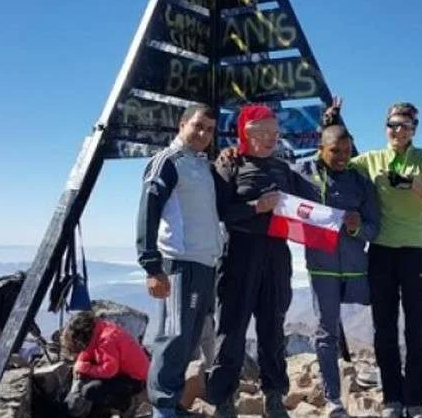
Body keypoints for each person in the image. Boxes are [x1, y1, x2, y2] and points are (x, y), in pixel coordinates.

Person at [326, 100, 422, 418]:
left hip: (415, 251)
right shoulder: (372, 159)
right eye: (393, 125)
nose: (398, 131)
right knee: (384, 327)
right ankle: (392, 400)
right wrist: (333, 122)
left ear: (414, 130)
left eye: (405, 126)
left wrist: (413, 185)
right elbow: (337, 157)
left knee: (417, 327)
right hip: (380, 251)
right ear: (385, 127)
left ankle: (417, 401)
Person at [207, 104, 314, 418]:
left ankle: (275, 397)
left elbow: (313, 199)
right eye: (262, 133)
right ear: (245, 132)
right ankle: (223, 400)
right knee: (231, 328)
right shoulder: (230, 163)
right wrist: (256, 206)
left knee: (272, 328)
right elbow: (220, 212)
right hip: (240, 253)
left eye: (274, 133)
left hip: (277, 257)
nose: (270, 139)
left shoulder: (283, 169)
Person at [136, 103, 225, 418]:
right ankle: (162, 408)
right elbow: (148, 212)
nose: (203, 134)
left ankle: (172, 404)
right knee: (173, 337)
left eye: (210, 129)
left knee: (189, 338)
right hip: (178, 264)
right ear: (182, 124)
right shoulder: (166, 162)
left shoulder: (201, 164)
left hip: (204, 263)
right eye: (197, 126)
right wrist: (151, 265)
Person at [293, 124, 380, 417]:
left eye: (346, 151)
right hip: (323, 269)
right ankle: (334, 400)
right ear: (321, 149)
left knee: (386, 322)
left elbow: (374, 228)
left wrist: (357, 230)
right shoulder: (301, 172)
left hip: (358, 271)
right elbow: (270, 173)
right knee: (326, 333)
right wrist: (232, 153)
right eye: (335, 151)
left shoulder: (361, 182)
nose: (342, 156)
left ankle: (392, 387)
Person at [61, 311, 150, 418]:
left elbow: (109, 370)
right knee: (91, 383)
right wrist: (81, 362)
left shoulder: (106, 339)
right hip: (127, 372)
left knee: (90, 390)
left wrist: (86, 368)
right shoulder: (101, 328)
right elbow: (89, 351)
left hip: (137, 380)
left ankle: (127, 404)